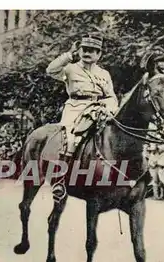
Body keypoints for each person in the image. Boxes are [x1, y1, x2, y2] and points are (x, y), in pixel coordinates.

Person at [45, 32, 118, 197]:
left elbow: (111, 96)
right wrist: (69, 55)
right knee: (71, 138)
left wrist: (109, 109)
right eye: (84, 49)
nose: (87, 53)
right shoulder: (70, 69)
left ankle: (114, 179)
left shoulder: (104, 74)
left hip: (99, 109)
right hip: (76, 109)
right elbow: (50, 70)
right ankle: (60, 180)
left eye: (92, 50)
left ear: (99, 54)